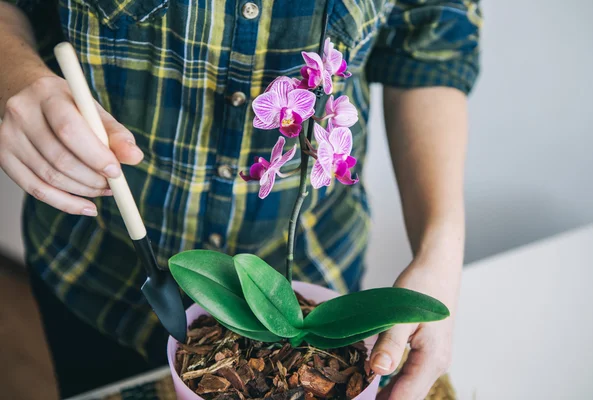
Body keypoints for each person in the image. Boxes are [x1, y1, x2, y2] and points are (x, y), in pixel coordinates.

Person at [0, 0, 481, 398]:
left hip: (320, 262)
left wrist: (440, 247)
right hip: (97, 271)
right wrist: (13, 77)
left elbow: (430, 41)